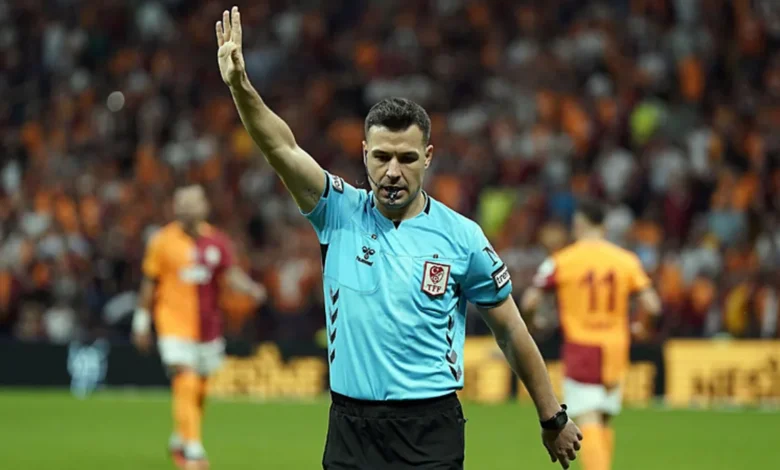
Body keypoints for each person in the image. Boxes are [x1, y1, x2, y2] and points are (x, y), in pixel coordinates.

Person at [216, 7, 582, 469]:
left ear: (427, 157)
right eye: (382, 157)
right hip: (350, 429)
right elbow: (280, 147)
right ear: (364, 154)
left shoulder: (461, 237)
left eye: (406, 158)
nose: (392, 171)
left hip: (430, 430)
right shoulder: (337, 211)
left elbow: (511, 330)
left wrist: (552, 417)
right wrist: (240, 86)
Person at [131, 184, 266, 470]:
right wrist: (141, 321)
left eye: (191, 202)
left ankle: (181, 436)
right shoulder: (162, 241)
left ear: (204, 207)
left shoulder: (217, 241)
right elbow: (149, 283)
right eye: (181, 203)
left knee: (201, 389)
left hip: (208, 328)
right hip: (172, 324)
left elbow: (230, 274)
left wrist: (251, 289)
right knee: (186, 378)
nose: (185, 208)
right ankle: (193, 448)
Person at [522, 199, 662, 470]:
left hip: (581, 348)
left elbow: (529, 301)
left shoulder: (562, 260)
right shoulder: (626, 260)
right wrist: (644, 327)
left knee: (588, 418)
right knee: (604, 417)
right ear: (604, 227)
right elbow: (653, 305)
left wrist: (531, 325)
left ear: (578, 225)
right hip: (616, 349)